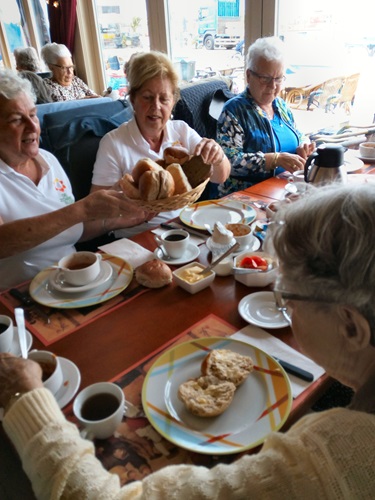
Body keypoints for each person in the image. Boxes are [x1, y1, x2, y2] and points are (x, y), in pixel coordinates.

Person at [1, 182, 375, 498]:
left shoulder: (332, 458)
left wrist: (27, 399)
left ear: (353, 328)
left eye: (289, 295)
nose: (286, 307)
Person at [0, 70, 149, 290]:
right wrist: (82, 210)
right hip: (20, 296)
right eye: (16, 120)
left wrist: (120, 219)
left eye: (32, 115)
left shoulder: (48, 160)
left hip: (71, 283)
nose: (32, 127)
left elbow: (71, 229)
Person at [90, 51, 230, 237]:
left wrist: (217, 156)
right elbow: (94, 215)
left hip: (186, 228)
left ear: (173, 102)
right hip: (137, 238)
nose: (156, 106)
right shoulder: (113, 143)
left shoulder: (181, 130)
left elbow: (220, 176)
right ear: (132, 99)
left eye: (164, 99)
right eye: (147, 97)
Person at [217, 36, 315, 196]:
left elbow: (297, 134)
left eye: (278, 78)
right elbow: (229, 162)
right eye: (265, 78)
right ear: (248, 76)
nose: (273, 86)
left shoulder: (281, 105)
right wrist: (274, 159)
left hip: (285, 190)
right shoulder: (233, 111)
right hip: (247, 197)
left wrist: (304, 144)